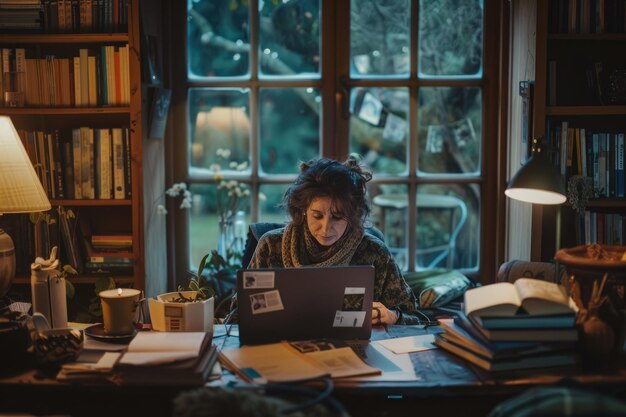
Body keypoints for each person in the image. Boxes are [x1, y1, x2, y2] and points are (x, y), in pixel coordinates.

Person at [247, 156, 420, 325]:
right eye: (317, 215)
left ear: (352, 216)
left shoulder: (374, 252)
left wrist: (393, 316)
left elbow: (414, 317)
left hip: (356, 348)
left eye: (337, 217)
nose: (325, 228)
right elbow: (238, 313)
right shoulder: (271, 246)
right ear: (303, 210)